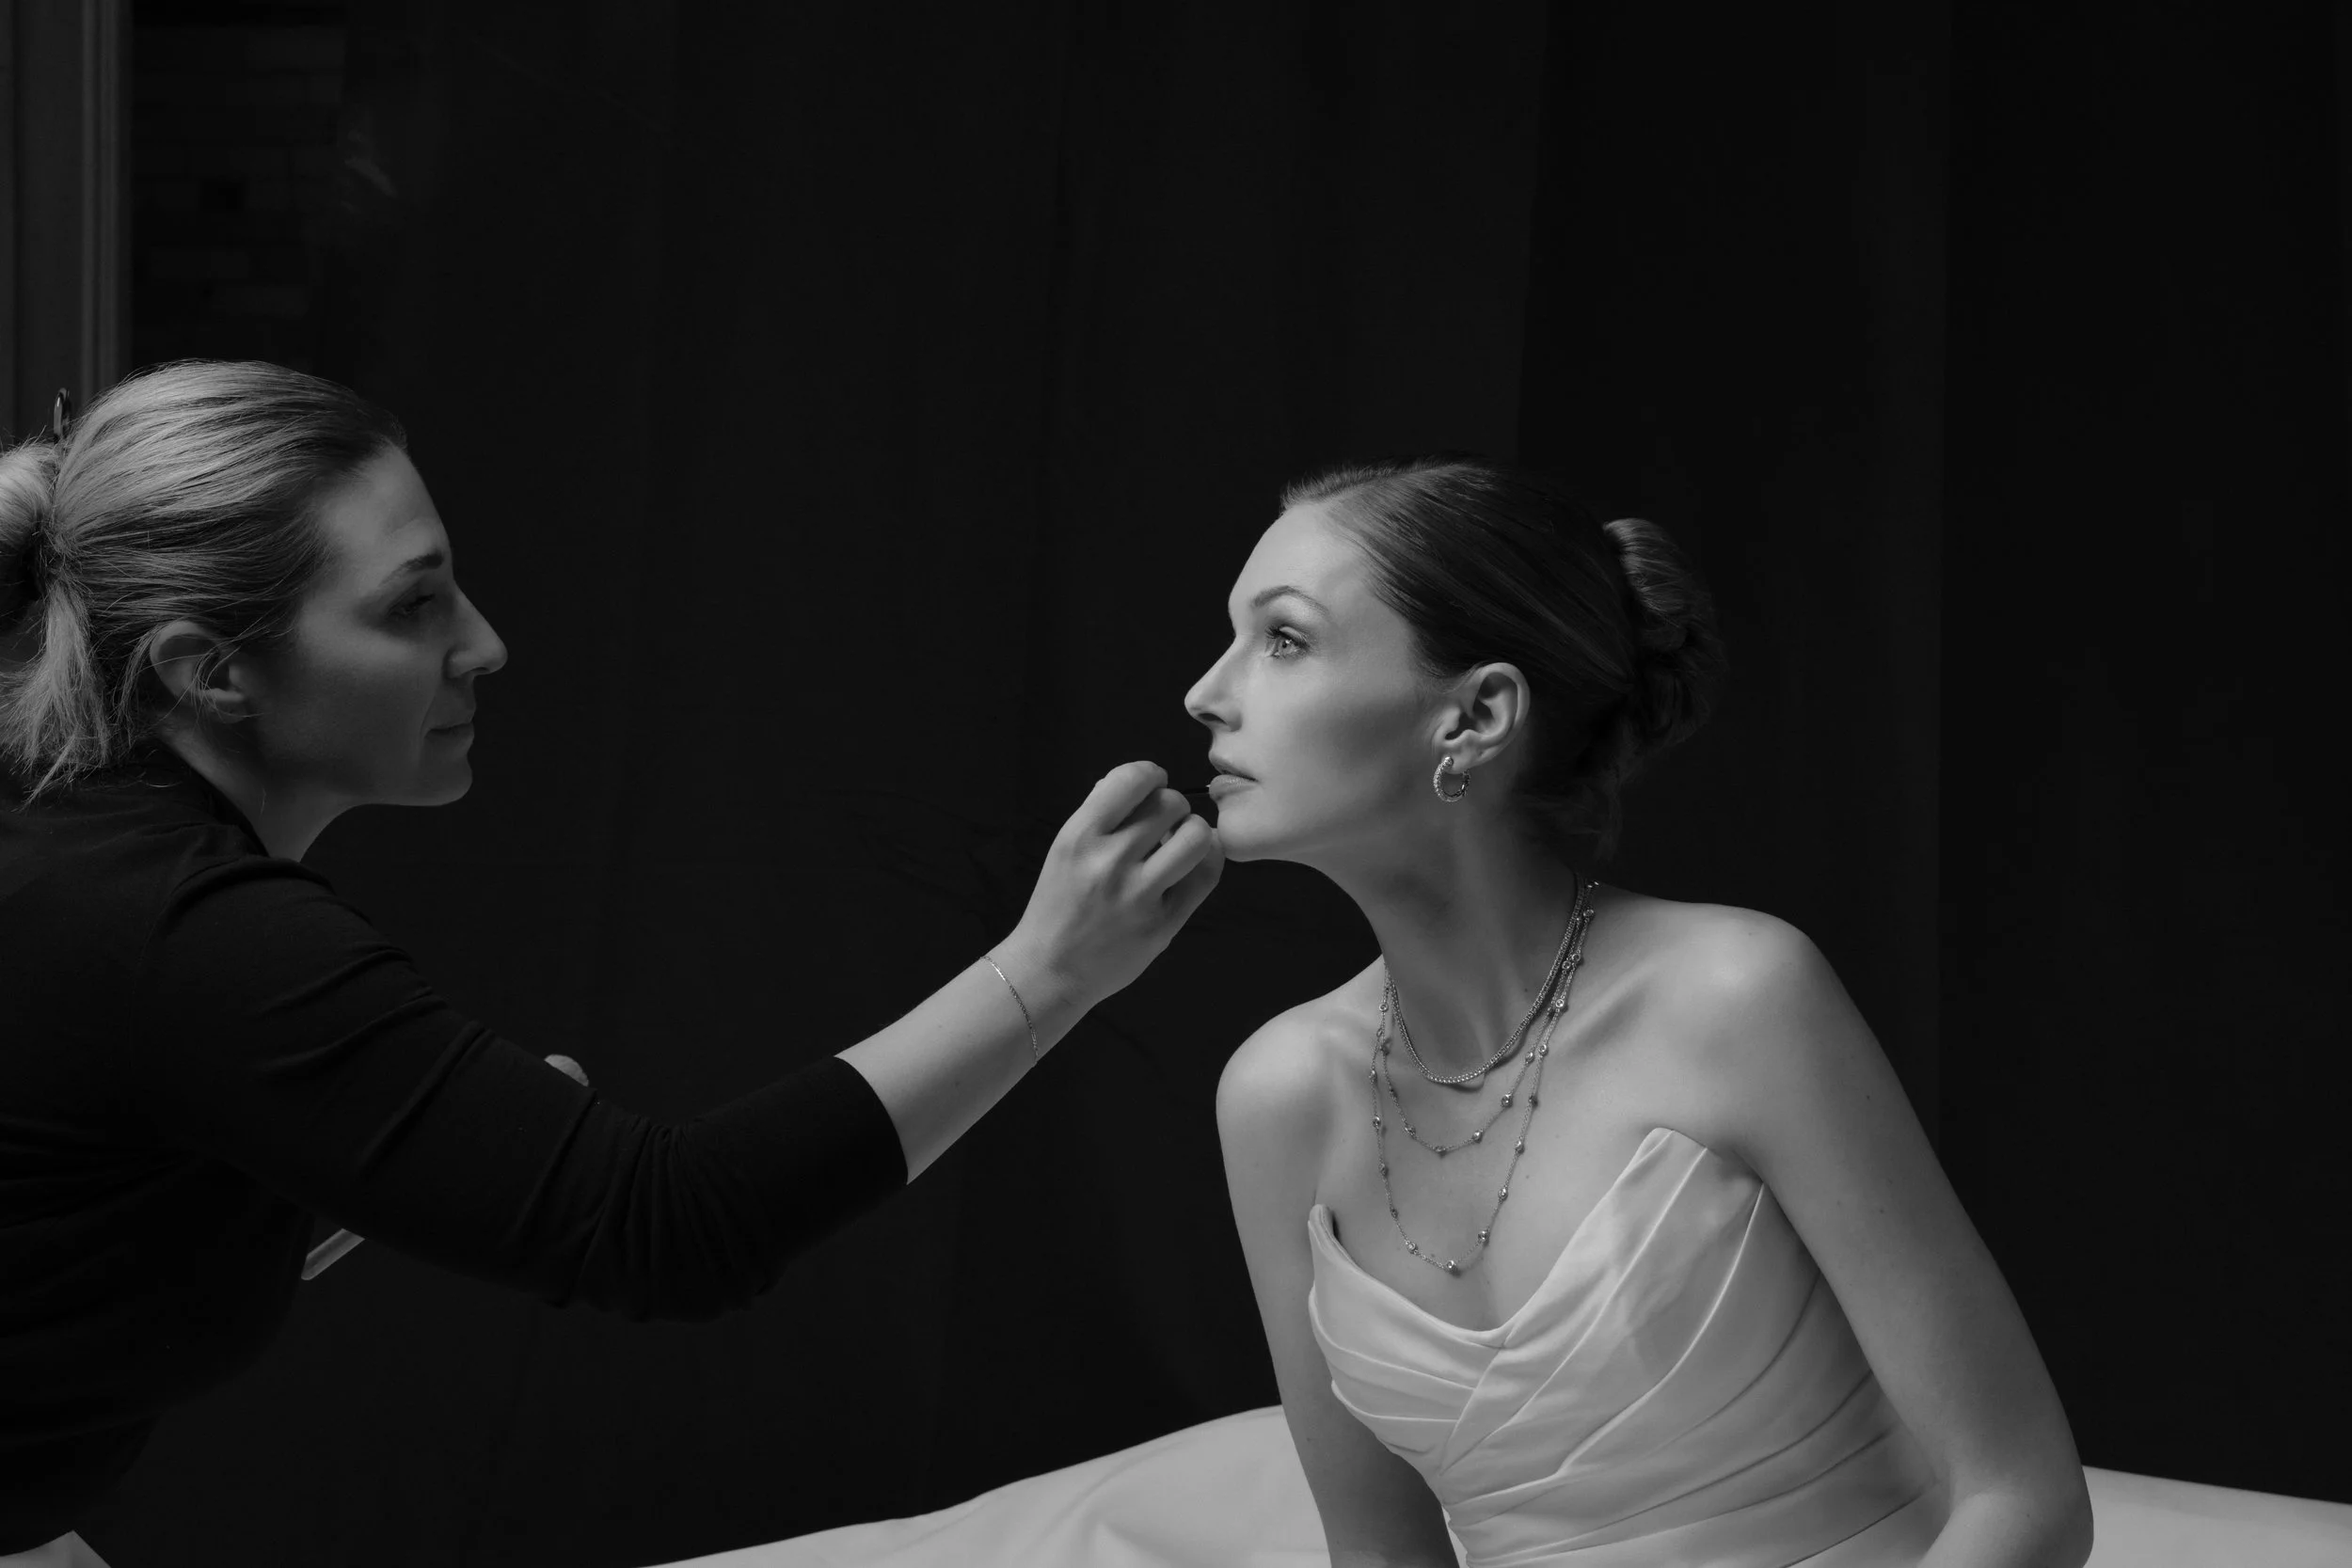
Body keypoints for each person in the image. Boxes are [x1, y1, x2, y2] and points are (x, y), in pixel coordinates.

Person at [0, 361, 1222, 1564]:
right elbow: (671, 1223)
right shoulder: (190, 928)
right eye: (412, 605)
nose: (485, 643)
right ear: (209, 671)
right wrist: (1053, 967)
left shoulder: (80, 856)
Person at [1202, 456, 2093, 1566]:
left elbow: (2024, 1497)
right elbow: (1380, 1556)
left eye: (1283, 638)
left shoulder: (1735, 996)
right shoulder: (1279, 1095)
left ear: (1475, 714)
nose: (1206, 691)